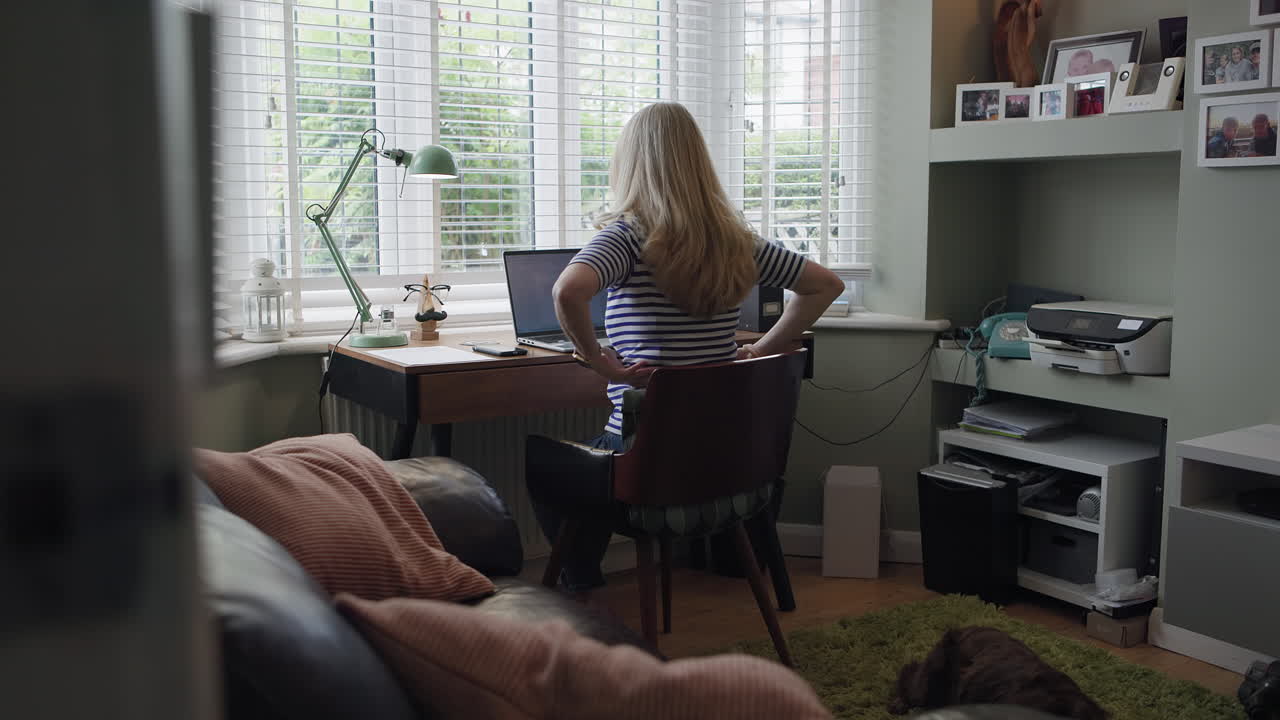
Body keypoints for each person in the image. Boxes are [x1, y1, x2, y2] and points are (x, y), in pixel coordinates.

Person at [540, 102, 843, 598]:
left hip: (649, 470)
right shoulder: (735, 241)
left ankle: (582, 592)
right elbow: (826, 285)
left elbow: (567, 291)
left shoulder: (628, 238)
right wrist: (761, 350)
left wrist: (598, 362)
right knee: (585, 459)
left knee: (552, 468)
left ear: (631, 164)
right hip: (724, 467)